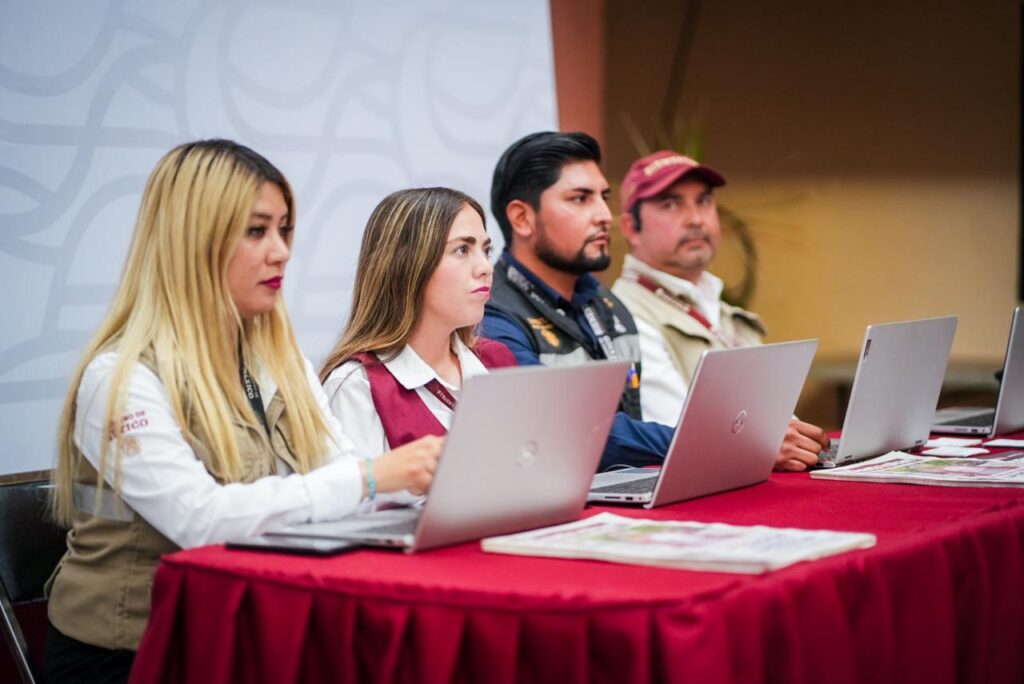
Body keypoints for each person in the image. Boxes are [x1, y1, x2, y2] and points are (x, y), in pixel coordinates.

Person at [45, 140, 442, 683]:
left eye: (284, 230)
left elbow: (342, 473)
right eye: (257, 231)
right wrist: (373, 477)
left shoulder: (278, 359)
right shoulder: (119, 378)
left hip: (243, 635)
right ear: (193, 240)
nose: (280, 252)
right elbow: (203, 522)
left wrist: (430, 482)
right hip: (131, 656)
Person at [612, 150, 830, 470]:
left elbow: (777, 422)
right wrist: (765, 441)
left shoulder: (720, 308)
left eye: (703, 201)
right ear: (631, 227)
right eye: (670, 205)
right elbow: (678, 432)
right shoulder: (624, 314)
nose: (695, 219)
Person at [481, 131, 673, 471]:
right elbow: (571, 428)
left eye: (604, 197)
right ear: (522, 218)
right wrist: (701, 441)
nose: (604, 215)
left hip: (623, 491)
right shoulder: (492, 315)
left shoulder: (610, 306)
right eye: (580, 199)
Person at [320, 187, 516, 467]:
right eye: (462, 250)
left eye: (486, 250)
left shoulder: (497, 359)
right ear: (407, 264)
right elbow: (359, 495)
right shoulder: (356, 386)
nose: (486, 267)